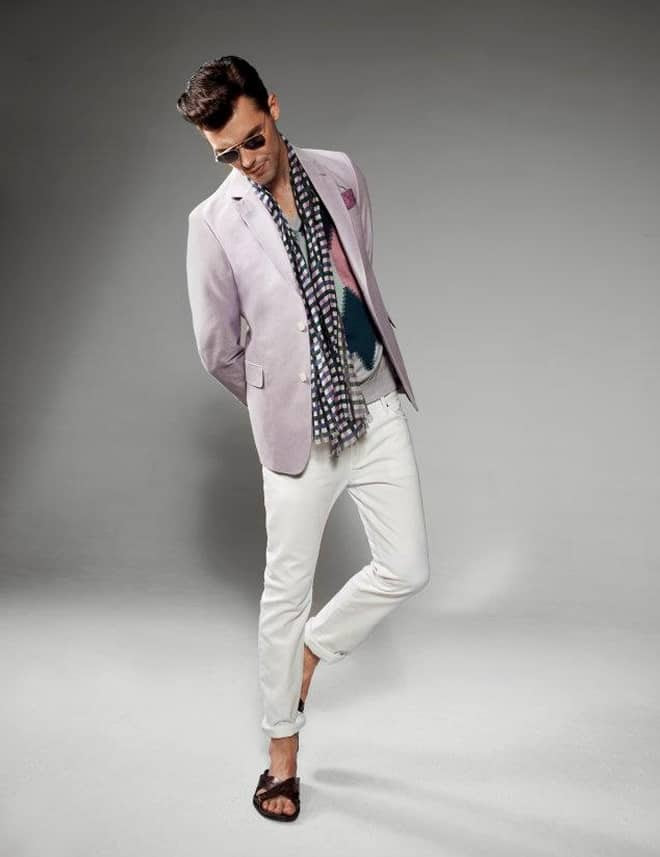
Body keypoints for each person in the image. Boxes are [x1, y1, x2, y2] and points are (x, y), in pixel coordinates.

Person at [177, 55, 431, 822]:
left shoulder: (339, 172)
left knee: (407, 566)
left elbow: (361, 270)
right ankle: (281, 756)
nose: (246, 162)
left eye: (253, 140)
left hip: (374, 401)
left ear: (274, 108)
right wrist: (276, 398)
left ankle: (314, 648)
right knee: (283, 592)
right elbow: (216, 348)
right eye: (226, 154)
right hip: (297, 430)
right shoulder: (212, 224)